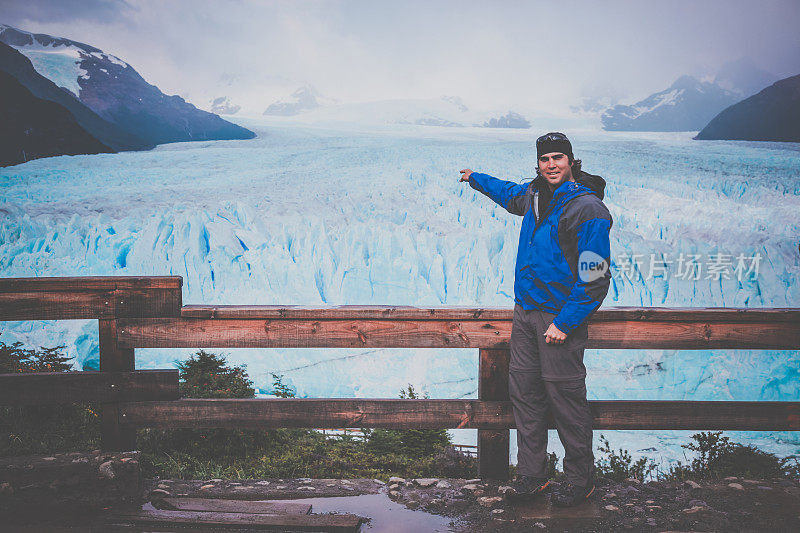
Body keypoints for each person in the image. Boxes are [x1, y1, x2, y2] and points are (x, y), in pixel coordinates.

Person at [459, 132, 612, 507]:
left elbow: (595, 276)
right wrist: (475, 177)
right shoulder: (534, 197)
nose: (552, 164)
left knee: (566, 400)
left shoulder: (588, 209)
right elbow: (508, 193)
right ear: (539, 165)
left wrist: (565, 322)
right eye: (545, 159)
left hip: (557, 318)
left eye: (559, 157)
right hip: (525, 314)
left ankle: (580, 480)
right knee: (525, 397)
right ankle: (533, 475)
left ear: (572, 162)